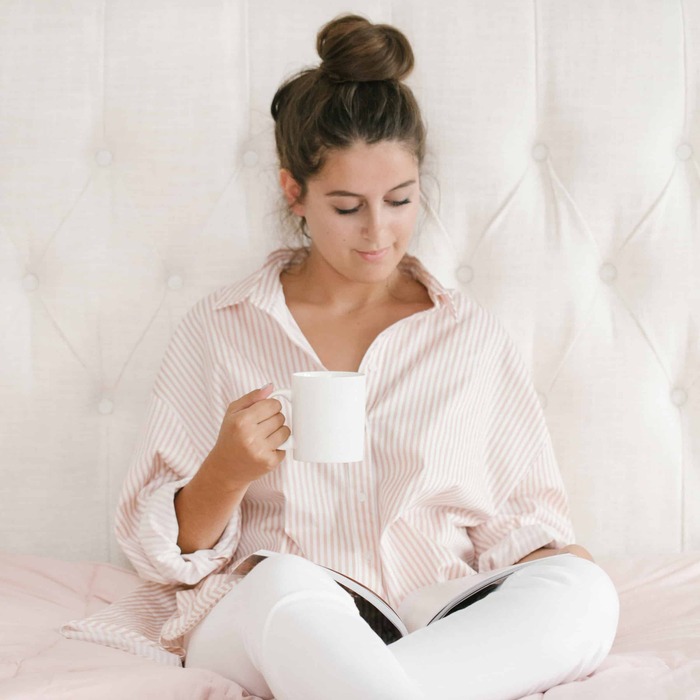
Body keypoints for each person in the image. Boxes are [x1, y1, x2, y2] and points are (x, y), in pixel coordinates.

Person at [62, 13, 619, 700]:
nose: (378, 231)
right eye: (348, 206)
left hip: (429, 614)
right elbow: (161, 553)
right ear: (294, 191)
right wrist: (226, 471)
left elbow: (522, 517)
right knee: (287, 581)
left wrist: (551, 571)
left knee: (581, 587)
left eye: (400, 200)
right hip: (274, 612)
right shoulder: (222, 327)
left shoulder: (467, 335)